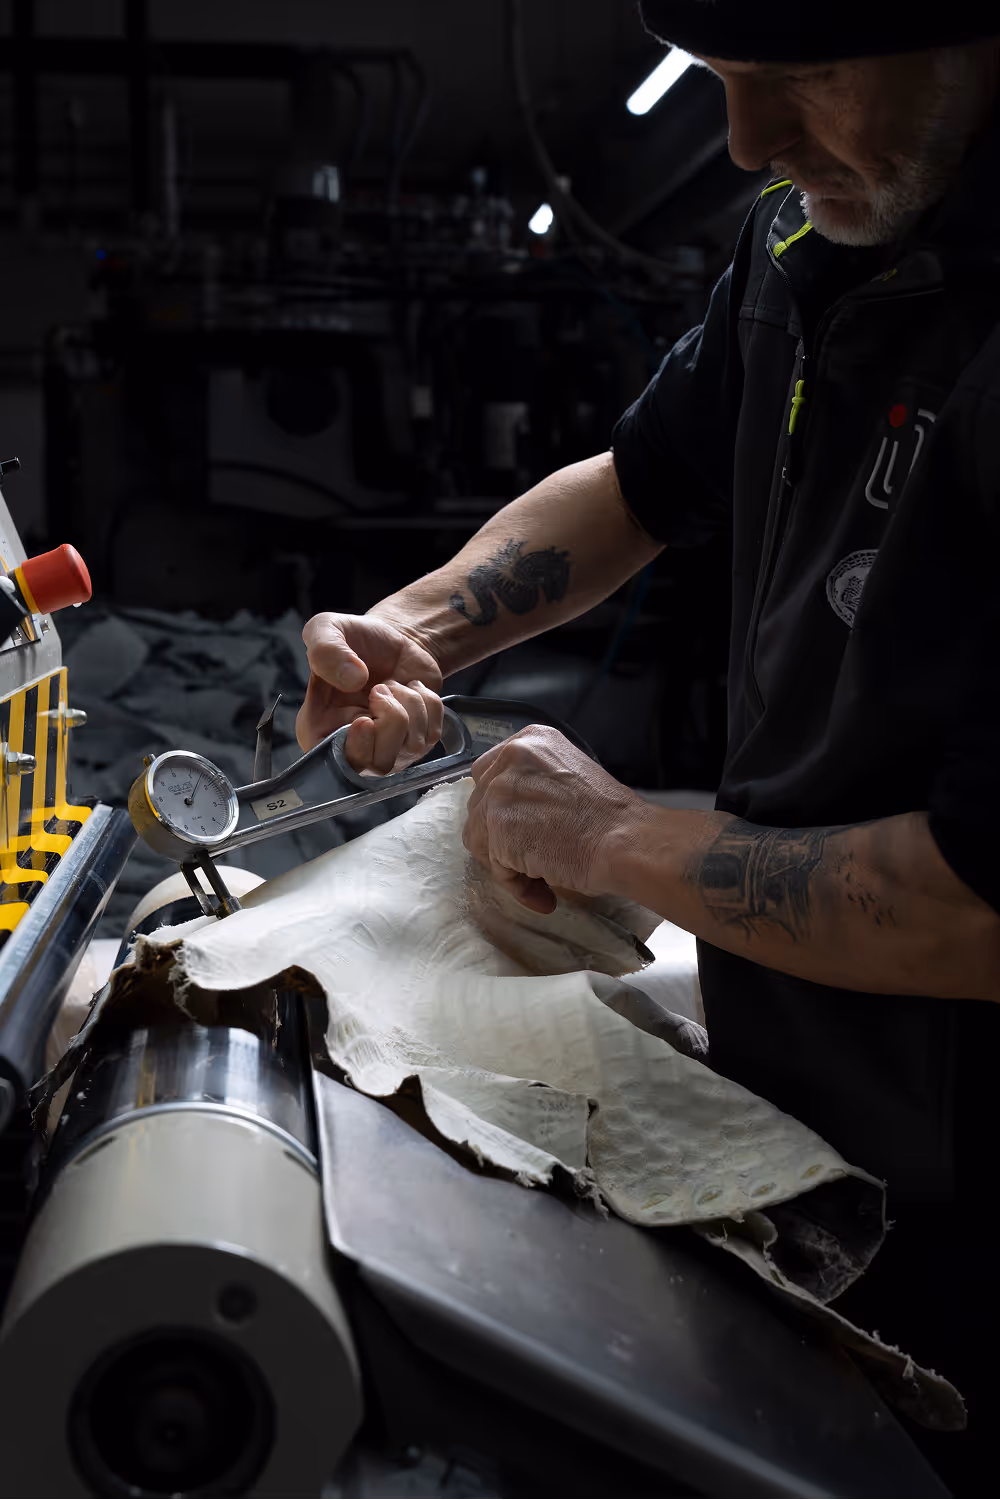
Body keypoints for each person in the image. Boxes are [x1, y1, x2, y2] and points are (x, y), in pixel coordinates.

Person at [296, 8, 1000, 1490]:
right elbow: (636, 480)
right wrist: (414, 626)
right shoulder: (808, 246)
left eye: (808, 63)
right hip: (815, 1114)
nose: (748, 141)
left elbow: (977, 906)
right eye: (722, 81)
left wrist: (612, 837)